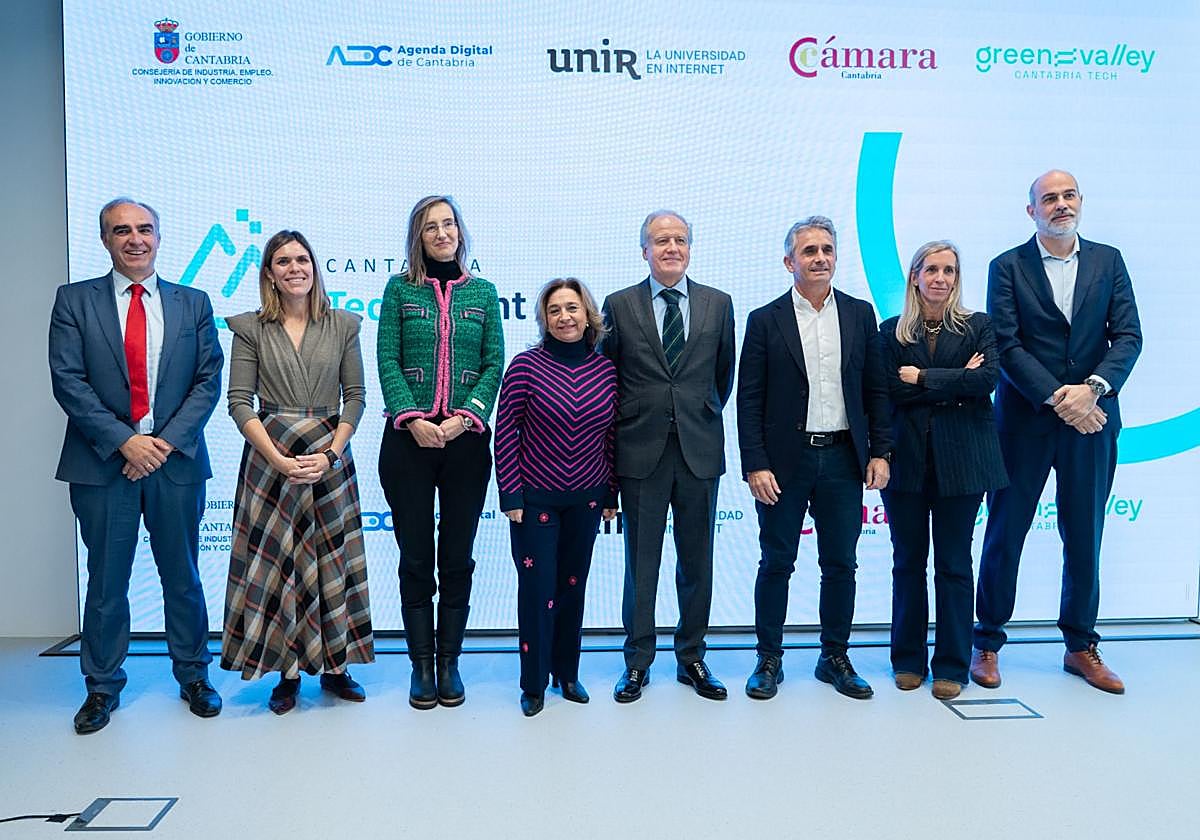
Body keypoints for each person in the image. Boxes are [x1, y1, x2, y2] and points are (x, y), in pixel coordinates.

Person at [50, 198, 223, 734]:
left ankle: (194, 675)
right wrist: (127, 442)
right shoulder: (74, 301)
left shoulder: (192, 302)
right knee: (106, 581)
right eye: (121, 231)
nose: (134, 239)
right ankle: (101, 689)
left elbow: (208, 380)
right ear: (104, 240)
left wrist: (162, 443)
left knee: (183, 576)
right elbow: (68, 381)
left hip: (175, 463)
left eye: (144, 229)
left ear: (159, 236)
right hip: (103, 465)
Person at [973, 170, 1142, 694]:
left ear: (1080, 203)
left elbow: (1129, 336)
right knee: (1006, 533)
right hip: (1024, 421)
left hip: (1093, 420)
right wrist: (1057, 397)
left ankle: (1080, 646)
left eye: (1068, 196)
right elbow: (1007, 343)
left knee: (1085, 534)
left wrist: (1091, 388)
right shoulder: (1006, 266)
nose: (1061, 204)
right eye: (1050, 198)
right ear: (1032, 211)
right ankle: (986, 643)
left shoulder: (1108, 261)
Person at [737, 216, 892, 701]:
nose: (820, 257)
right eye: (809, 251)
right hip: (784, 463)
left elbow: (876, 390)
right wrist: (755, 463)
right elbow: (749, 398)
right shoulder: (765, 320)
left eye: (827, 249)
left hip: (845, 457)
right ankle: (768, 658)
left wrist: (881, 452)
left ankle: (835, 657)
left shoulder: (860, 314)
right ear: (790, 262)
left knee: (840, 563)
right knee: (776, 561)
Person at [221, 230, 374, 714]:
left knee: (329, 562)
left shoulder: (344, 324)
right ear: (269, 272)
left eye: (302, 259)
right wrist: (279, 459)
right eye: (283, 261)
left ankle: (335, 667)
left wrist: (330, 454)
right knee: (278, 564)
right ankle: (285, 675)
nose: (294, 268)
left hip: (329, 459)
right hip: (272, 463)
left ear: (314, 267)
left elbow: (357, 398)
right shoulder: (250, 327)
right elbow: (239, 403)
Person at [600, 210, 736, 704]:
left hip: (699, 451)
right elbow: (608, 380)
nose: (671, 248)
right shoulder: (619, 305)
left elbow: (723, 377)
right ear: (645, 251)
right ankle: (637, 663)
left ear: (690, 248)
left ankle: (693, 657)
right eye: (661, 241)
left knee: (697, 562)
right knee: (642, 564)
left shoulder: (719, 304)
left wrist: (693, 412)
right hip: (640, 453)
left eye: (680, 239)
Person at [378, 195, 504, 709]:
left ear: (460, 231)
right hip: (408, 443)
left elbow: (495, 362)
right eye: (431, 226)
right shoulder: (398, 289)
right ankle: (420, 665)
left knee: (456, 557)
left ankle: (449, 662)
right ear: (418, 236)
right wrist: (412, 419)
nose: (441, 233)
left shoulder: (484, 291)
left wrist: (462, 418)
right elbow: (386, 356)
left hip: (466, 443)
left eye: (448, 224)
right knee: (415, 557)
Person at [878, 241, 1007, 700]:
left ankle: (952, 665)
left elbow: (987, 380)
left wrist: (924, 378)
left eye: (949, 270)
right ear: (914, 276)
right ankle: (907, 660)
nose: (940, 277)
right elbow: (891, 390)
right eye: (931, 269)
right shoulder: (890, 331)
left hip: (964, 464)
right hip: (906, 464)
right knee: (907, 563)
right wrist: (956, 381)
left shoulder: (979, 326)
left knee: (954, 565)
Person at [494, 278, 618, 716]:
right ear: (544, 319)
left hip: (587, 498)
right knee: (536, 592)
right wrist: (510, 493)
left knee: (572, 589)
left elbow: (611, 437)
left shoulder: (606, 369)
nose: (565, 317)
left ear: (588, 315)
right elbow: (506, 431)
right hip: (534, 500)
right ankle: (533, 683)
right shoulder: (525, 366)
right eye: (555, 310)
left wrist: (610, 494)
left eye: (572, 308)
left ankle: (567, 673)